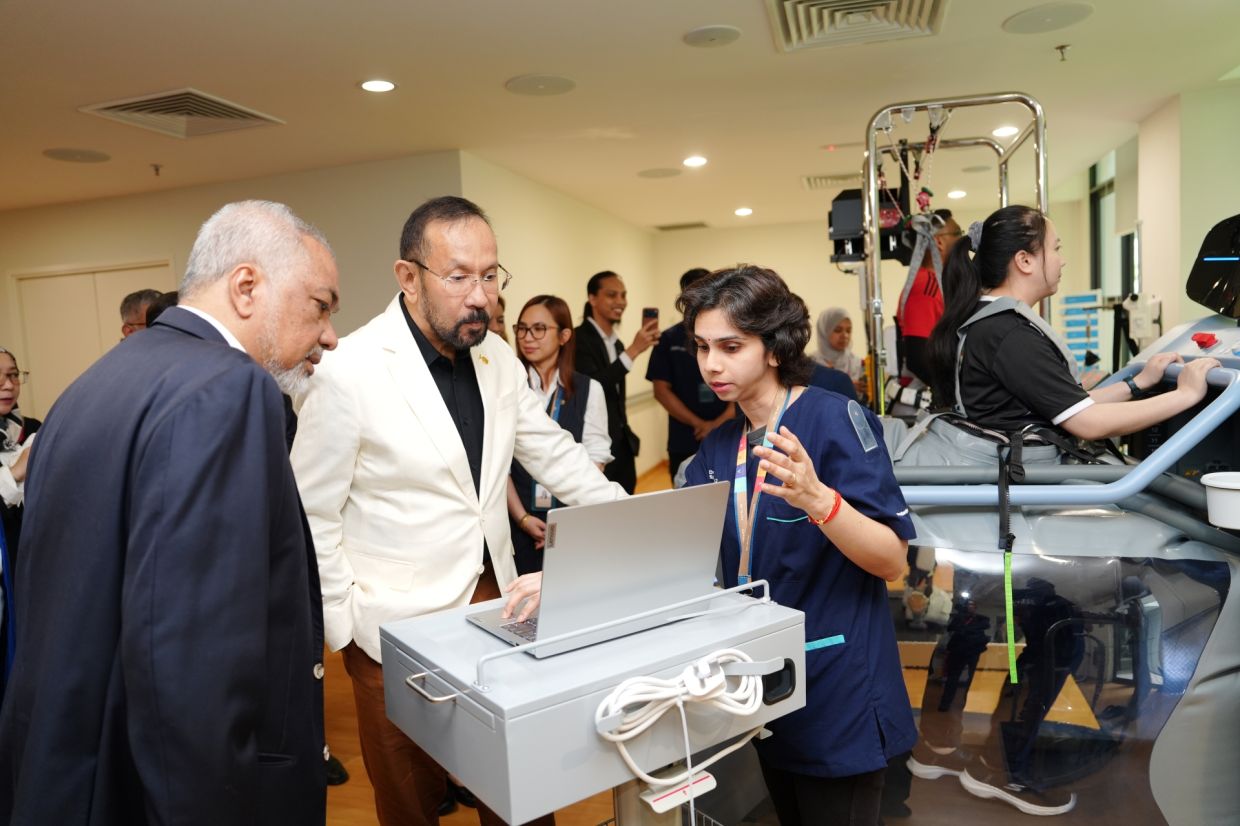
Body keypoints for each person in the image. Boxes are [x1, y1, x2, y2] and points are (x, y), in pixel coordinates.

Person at [0, 200, 340, 824]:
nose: (328, 334)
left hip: (70, 769)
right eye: (320, 305)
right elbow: (193, 658)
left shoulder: (92, 384)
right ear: (246, 286)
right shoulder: (229, 388)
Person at [290, 195, 624, 826]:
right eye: (460, 277)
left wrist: (633, 520)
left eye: (491, 276)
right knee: (410, 800)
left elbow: (556, 455)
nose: (482, 296)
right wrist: (349, 630)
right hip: (391, 629)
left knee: (516, 788)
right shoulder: (349, 370)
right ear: (408, 278)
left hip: (497, 601)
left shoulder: (498, 360)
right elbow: (312, 512)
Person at [680, 265, 916, 826]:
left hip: (838, 691)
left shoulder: (833, 420)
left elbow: (892, 560)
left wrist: (819, 500)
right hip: (762, 690)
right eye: (702, 347)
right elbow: (674, 554)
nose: (712, 364)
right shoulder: (719, 449)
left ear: (774, 348)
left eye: (731, 346)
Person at [925, 205, 1219, 441]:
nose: (1061, 261)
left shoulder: (987, 322)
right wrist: (1186, 394)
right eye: (1056, 248)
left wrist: (1138, 382)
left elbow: (1066, 403)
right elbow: (1089, 423)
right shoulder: (1008, 333)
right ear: (1024, 261)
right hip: (1027, 486)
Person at [508, 294, 612, 575]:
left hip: (572, 522)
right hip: (517, 522)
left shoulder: (589, 389)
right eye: (521, 328)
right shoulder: (506, 390)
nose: (527, 337)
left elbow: (595, 462)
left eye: (539, 329)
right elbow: (498, 465)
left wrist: (567, 522)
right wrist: (523, 519)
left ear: (564, 335)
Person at [573, 270, 659, 493]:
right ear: (592, 298)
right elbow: (592, 386)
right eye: (612, 295)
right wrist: (634, 350)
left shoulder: (617, 344)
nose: (621, 302)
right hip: (592, 447)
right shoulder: (578, 339)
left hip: (621, 445)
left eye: (623, 295)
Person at [646, 267, 734, 484]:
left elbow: (744, 382)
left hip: (728, 431)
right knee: (684, 492)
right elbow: (661, 390)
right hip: (684, 436)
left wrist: (718, 424)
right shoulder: (668, 340)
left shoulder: (730, 334)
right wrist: (699, 424)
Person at [889, 209, 961, 414]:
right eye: (957, 234)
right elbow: (917, 358)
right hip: (920, 405)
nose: (962, 241)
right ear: (938, 241)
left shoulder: (936, 283)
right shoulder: (925, 286)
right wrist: (956, 395)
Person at [0, 348, 39, 701]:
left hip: (32, 567)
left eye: (13, 375)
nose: (7, 385)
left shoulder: (36, 430)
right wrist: (15, 473)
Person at [813, 307, 867, 399]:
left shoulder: (858, 364)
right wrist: (845, 387)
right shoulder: (811, 363)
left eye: (848, 331)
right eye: (838, 330)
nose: (845, 335)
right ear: (824, 331)